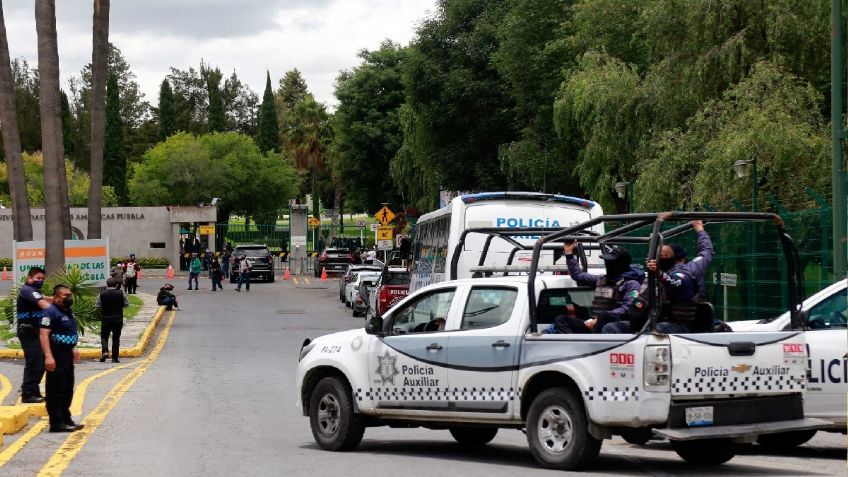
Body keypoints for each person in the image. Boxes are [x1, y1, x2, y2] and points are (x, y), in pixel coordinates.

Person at [543, 243, 644, 334]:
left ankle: (593, 346)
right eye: (607, 261)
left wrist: (601, 318)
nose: (607, 264)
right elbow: (577, 275)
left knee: (605, 316)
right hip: (594, 323)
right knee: (561, 319)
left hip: (614, 325)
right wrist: (569, 253)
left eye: (610, 262)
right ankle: (574, 346)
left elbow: (628, 308)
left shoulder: (631, 284)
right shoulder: (601, 279)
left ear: (620, 264)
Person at [647, 219, 714, 333]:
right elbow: (707, 251)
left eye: (664, 255)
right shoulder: (695, 266)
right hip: (669, 320)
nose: (661, 257)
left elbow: (675, 282)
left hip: (680, 324)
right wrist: (700, 230)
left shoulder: (682, 272)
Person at [39, 284, 82, 432]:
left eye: (69, 294)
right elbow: (44, 335)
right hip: (56, 353)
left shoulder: (67, 310)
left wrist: (74, 347)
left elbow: (70, 331)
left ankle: (66, 418)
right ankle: (56, 423)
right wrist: (48, 357)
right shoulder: (50, 312)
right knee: (56, 389)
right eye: (65, 295)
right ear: (56, 298)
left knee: (67, 387)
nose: (69, 297)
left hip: (67, 354)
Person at [16, 267, 52, 403]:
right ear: (29, 278)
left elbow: (46, 299)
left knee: (41, 362)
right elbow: (43, 304)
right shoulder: (27, 290)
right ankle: (27, 393)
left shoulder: (34, 291)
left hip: (35, 331)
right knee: (34, 362)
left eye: (42, 279)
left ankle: (34, 390)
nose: (40, 281)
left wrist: (59, 300)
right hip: (28, 331)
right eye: (38, 278)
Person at [96, 277, 128, 363]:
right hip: (118, 318)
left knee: (104, 336)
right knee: (116, 337)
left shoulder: (101, 294)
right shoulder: (121, 293)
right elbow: (126, 304)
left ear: (107, 285)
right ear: (116, 285)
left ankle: (105, 351)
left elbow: (98, 305)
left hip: (106, 318)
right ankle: (114, 357)